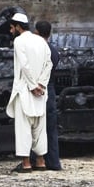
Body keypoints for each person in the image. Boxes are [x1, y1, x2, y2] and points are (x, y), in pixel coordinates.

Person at [5, 12, 52, 172]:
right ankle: (40, 161)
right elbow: (49, 64)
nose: (11, 31)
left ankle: (26, 163)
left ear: (18, 26)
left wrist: (33, 85)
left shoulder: (19, 41)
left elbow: (24, 65)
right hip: (41, 91)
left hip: (26, 89)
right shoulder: (41, 41)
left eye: (12, 28)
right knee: (39, 127)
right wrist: (42, 84)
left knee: (24, 127)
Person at [31, 20, 62, 171]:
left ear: (36, 32)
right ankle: (54, 162)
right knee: (51, 128)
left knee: (34, 126)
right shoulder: (54, 51)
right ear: (49, 33)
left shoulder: (35, 50)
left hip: (37, 89)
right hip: (50, 88)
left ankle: (34, 160)